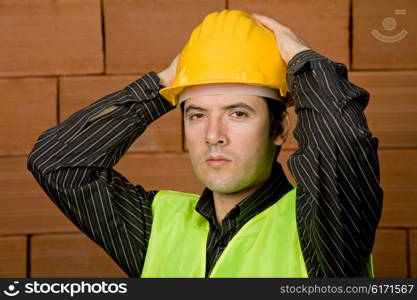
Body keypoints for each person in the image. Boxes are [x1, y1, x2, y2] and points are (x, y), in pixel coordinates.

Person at [27, 10, 383, 277]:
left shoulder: (321, 230)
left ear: (279, 129)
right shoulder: (155, 227)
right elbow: (57, 163)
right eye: (196, 114)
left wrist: (305, 65)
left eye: (238, 113)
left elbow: (341, 149)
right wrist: (165, 85)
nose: (213, 134)